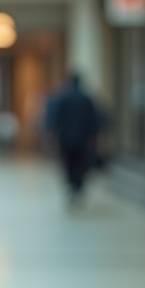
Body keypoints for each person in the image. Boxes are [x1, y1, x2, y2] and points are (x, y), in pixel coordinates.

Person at [51, 73, 100, 202]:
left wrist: (53, 134)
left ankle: (71, 184)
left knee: (69, 163)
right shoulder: (86, 99)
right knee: (80, 163)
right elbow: (93, 120)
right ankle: (78, 185)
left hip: (65, 138)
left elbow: (56, 118)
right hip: (82, 139)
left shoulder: (63, 98)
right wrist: (95, 137)